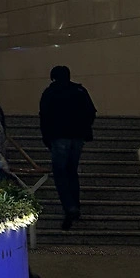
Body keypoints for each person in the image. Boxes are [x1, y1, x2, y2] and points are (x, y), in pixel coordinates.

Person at [38, 64, 96, 230]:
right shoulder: (79, 91)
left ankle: (70, 207)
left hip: (58, 137)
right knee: (72, 171)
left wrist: (46, 137)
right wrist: (84, 129)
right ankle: (75, 205)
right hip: (77, 137)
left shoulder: (50, 93)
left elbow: (44, 116)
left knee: (60, 174)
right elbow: (91, 112)